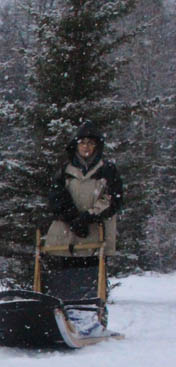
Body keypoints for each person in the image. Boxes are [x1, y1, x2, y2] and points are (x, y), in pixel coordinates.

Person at [44, 121, 124, 299]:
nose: (86, 147)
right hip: (67, 237)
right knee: (64, 286)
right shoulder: (65, 170)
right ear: (76, 145)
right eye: (82, 143)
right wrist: (73, 218)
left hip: (96, 234)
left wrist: (88, 216)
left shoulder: (107, 170)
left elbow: (112, 199)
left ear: (97, 146)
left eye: (91, 143)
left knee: (92, 286)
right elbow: (56, 198)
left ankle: (94, 316)